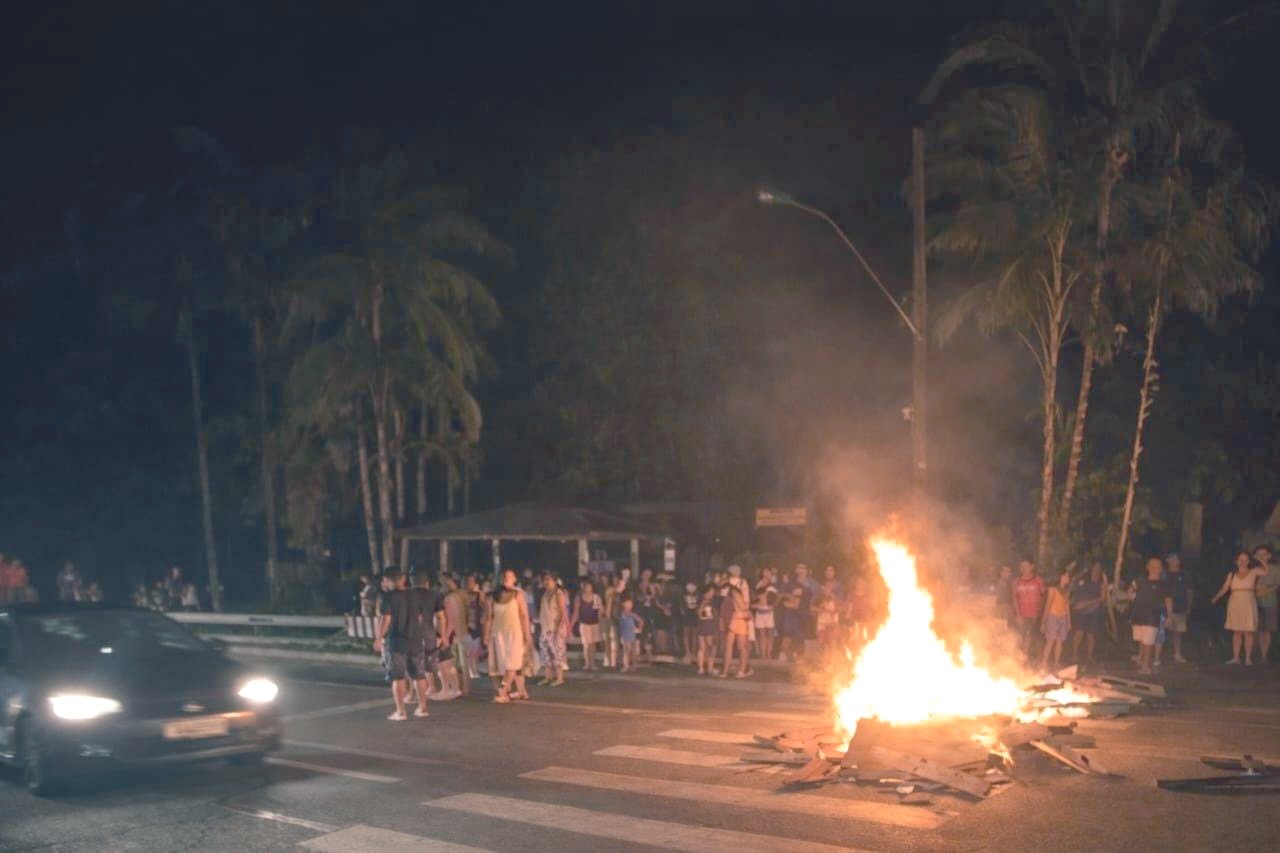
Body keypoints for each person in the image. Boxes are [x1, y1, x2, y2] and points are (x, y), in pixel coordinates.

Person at [373, 568, 431, 721]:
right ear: (403, 578)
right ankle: (423, 707)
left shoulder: (388, 597)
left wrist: (378, 638)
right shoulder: (415, 594)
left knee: (397, 677)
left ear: (387, 580)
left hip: (397, 641)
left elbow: (385, 620)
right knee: (419, 675)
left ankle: (401, 711)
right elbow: (419, 617)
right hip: (416, 640)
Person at [1211, 552, 1267, 665]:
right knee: (1237, 631)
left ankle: (1248, 658)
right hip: (1235, 602)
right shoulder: (1232, 574)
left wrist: (1261, 560)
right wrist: (1216, 597)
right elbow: (1225, 587)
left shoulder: (1253, 571)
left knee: (1248, 632)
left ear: (1249, 561)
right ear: (1236, 561)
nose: (1242, 562)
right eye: (1240, 559)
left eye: (1245, 559)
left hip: (1248, 602)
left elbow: (1265, 571)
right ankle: (1236, 657)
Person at [488, 568, 532, 702]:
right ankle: (520, 691)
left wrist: (527, 634)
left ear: (515, 579)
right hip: (499, 633)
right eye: (505, 576)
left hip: (515, 633)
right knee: (508, 664)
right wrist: (486, 634)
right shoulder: (494, 596)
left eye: (510, 576)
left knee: (513, 662)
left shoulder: (518, 595)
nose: (507, 578)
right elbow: (489, 617)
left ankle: (503, 690)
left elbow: (524, 615)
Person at [1130, 557, 1173, 675]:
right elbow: (1131, 592)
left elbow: (1168, 600)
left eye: (1158, 566)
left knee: (1148, 642)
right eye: (1153, 566)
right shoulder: (1140, 580)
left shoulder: (1163, 584)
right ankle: (1142, 660)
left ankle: (1146, 667)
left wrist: (1169, 616)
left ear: (1161, 569)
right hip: (1138, 615)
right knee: (1141, 640)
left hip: (1152, 616)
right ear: (1148, 567)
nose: (1155, 568)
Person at [411, 573, 448, 704]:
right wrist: (441, 635)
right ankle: (432, 687)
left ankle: (415, 693)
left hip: (412, 634)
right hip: (429, 633)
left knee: (414, 665)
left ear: (411, 581)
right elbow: (440, 617)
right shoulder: (435, 595)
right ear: (426, 582)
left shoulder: (407, 595)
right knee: (430, 662)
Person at [1070, 562, 1107, 664]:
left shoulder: (1101, 583)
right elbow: (1073, 582)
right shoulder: (1083, 580)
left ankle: (1089, 656)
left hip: (1094, 612)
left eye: (1098, 568)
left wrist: (1088, 603)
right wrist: (1082, 572)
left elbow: (1103, 598)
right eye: (1095, 567)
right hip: (1080, 611)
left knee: (1091, 634)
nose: (1096, 569)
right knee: (1079, 633)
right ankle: (1074, 654)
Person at [720, 567, 753, 678]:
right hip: (730, 616)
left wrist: (743, 612)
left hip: (739, 617)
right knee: (728, 645)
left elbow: (746, 603)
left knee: (741, 646)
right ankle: (725, 670)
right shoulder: (726, 582)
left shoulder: (742, 583)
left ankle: (742, 670)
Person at [443, 575, 473, 695]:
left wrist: (445, 636)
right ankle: (465, 687)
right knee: (465, 664)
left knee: (454, 663)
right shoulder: (464, 595)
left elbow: (452, 620)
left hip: (455, 635)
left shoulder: (450, 598)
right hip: (465, 632)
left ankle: (457, 687)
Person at [538, 573, 569, 686]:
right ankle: (548, 676)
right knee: (545, 654)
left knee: (558, 653)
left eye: (549, 579)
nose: (546, 582)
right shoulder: (544, 595)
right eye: (545, 580)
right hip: (545, 628)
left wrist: (557, 628)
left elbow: (562, 612)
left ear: (555, 581)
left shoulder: (558, 594)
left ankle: (560, 678)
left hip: (556, 629)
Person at [1012, 560, 1046, 660]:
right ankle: (1022, 659)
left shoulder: (1038, 580)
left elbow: (1044, 596)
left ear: (1032, 566)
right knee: (1023, 637)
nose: (1023, 568)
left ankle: (1036, 660)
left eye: (1026, 566)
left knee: (1036, 638)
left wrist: (1041, 612)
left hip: (1036, 615)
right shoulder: (1017, 581)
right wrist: (1018, 615)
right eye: (1022, 566)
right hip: (1023, 615)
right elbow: (1014, 598)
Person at [1252, 546, 1279, 663]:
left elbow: (1277, 584)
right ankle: (1256, 653)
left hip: (1270, 602)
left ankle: (1264, 655)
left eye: (1264, 554)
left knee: (1267, 629)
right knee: (1257, 629)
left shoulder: (1276, 569)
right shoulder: (1254, 569)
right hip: (1255, 602)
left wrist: (1266, 590)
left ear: (1269, 556)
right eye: (1259, 554)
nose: (1261, 556)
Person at [1040, 570, 1072, 670]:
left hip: (1062, 617)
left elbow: (1067, 606)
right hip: (1052, 616)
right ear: (1061, 577)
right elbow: (1048, 605)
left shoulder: (1067, 591)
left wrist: (1069, 621)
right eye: (1066, 576)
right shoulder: (1052, 589)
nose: (1068, 578)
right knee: (1050, 640)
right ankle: (1044, 662)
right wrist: (1043, 622)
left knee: (1060, 641)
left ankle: (1056, 662)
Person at [1163, 553, 1192, 664]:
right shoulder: (1164, 575)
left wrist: (1189, 606)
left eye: (1175, 560)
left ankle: (1177, 654)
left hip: (1180, 608)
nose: (1173, 562)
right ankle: (1158, 654)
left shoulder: (1185, 575)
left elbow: (1189, 592)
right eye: (1170, 560)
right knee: (1162, 632)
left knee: (1178, 633)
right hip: (1165, 609)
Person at [572, 579, 603, 671]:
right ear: (584, 588)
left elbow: (600, 611)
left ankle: (593, 663)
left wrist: (600, 623)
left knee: (592, 644)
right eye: (587, 587)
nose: (588, 588)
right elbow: (576, 611)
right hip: (584, 623)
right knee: (586, 644)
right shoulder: (579, 598)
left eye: (590, 587)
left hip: (594, 623)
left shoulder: (596, 597)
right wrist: (572, 624)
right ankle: (587, 663)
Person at [753, 568, 778, 661]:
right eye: (765, 572)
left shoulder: (772, 585)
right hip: (760, 612)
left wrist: (772, 605)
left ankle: (769, 653)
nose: (766, 574)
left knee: (770, 634)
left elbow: (776, 598)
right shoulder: (758, 584)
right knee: (761, 634)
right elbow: (755, 597)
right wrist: (758, 603)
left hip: (769, 613)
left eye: (768, 572)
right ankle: (763, 655)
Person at [695, 584, 719, 674]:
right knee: (702, 647)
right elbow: (698, 613)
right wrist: (704, 602)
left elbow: (715, 614)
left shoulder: (714, 601)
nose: (712, 593)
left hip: (710, 625)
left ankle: (710, 668)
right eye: (710, 592)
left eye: (712, 592)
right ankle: (701, 668)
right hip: (702, 625)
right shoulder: (700, 600)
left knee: (711, 646)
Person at [618, 596, 644, 672]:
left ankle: (632, 666)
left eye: (631, 603)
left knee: (632, 650)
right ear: (623, 604)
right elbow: (639, 620)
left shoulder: (630, 613)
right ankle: (627, 665)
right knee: (627, 650)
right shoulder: (624, 612)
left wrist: (639, 628)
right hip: (625, 633)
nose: (630, 605)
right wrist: (639, 628)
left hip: (631, 633)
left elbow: (640, 620)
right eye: (628, 603)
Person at [680, 581, 700, 663]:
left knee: (694, 634)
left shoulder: (698, 596)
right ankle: (687, 652)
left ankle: (693, 652)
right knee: (686, 634)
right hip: (687, 615)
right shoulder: (683, 596)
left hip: (694, 615)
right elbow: (682, 606)